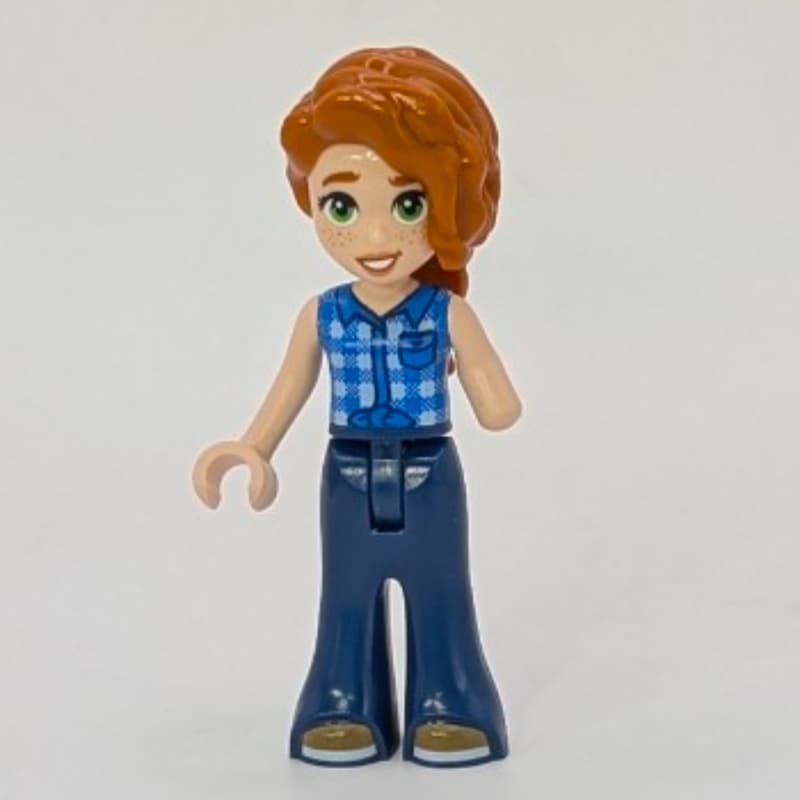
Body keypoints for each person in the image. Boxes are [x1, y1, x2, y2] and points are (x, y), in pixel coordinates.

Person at [192, 46, 522, 768]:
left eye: (407, 204)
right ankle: (343, 699)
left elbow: (499, 406)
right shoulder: (323, 314)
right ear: (311, 201)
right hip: (345, 472)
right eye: (341, 205)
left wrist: (486, 385)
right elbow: (289, 387)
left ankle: (451, 698)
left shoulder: (445, 312)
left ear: (450, 208)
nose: (375, 239)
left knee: (441, 590)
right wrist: (253, 446)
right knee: (345, 594)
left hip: (429, 472)